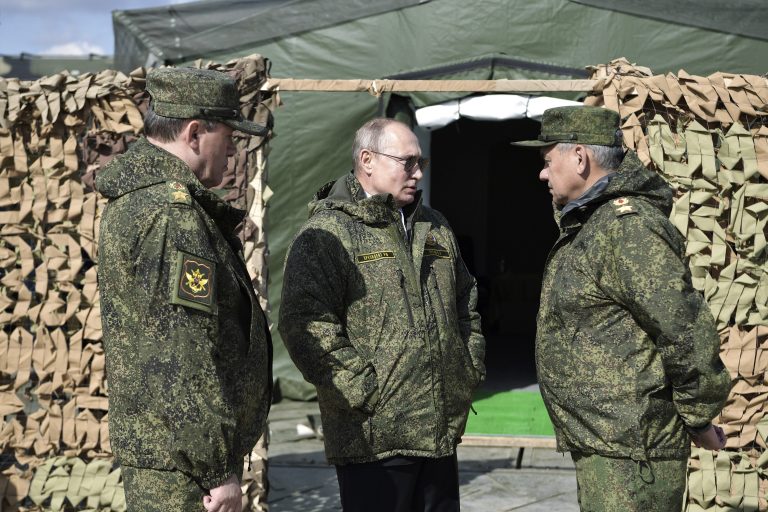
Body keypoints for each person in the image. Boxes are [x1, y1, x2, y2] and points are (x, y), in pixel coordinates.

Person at [512, 105, 731, 511]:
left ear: (579, 158)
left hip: (633, 452)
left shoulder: (628, 228)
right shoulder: (593, 223)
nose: (542, 173)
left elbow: (683, 329)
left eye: (547, 161)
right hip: (610, 446)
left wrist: (699, 416)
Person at [279, 118, 485, 512]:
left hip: (439, 432)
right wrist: (363, 391)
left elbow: (467, 302)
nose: (419, 173)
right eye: (407, 162)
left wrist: (466, 367)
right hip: (373, 437)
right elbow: (304, 323)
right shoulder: (329, 233)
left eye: (420, 161)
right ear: (367, 159)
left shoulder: (435, 226)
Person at [95, 67, 273, 512]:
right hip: (184, 471)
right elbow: (181, 351)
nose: (233, 149)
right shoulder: (170, 215)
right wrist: (215, 469)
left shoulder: (147, 201)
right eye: (228, 134)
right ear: (195, 133)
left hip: (172, 455)